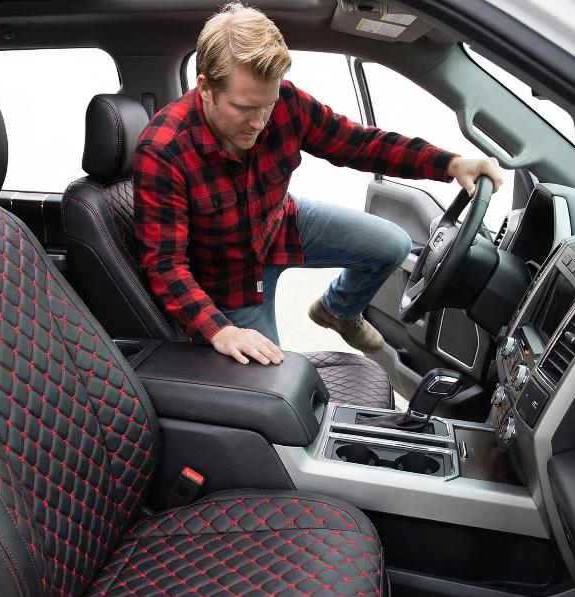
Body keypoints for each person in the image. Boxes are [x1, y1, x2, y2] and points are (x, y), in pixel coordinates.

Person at [133, 2, 503, 366]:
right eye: (244, 108)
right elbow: (165, 263)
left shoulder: (287, 103)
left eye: (267, 105)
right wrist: (220, 331)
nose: (259, 122)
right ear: (205, 88)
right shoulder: (163, 151)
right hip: (231, 279)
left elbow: (360, 144)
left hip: (279, 224)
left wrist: (450, 164)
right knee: (269, 379)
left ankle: (337, 309)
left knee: (394, 245)